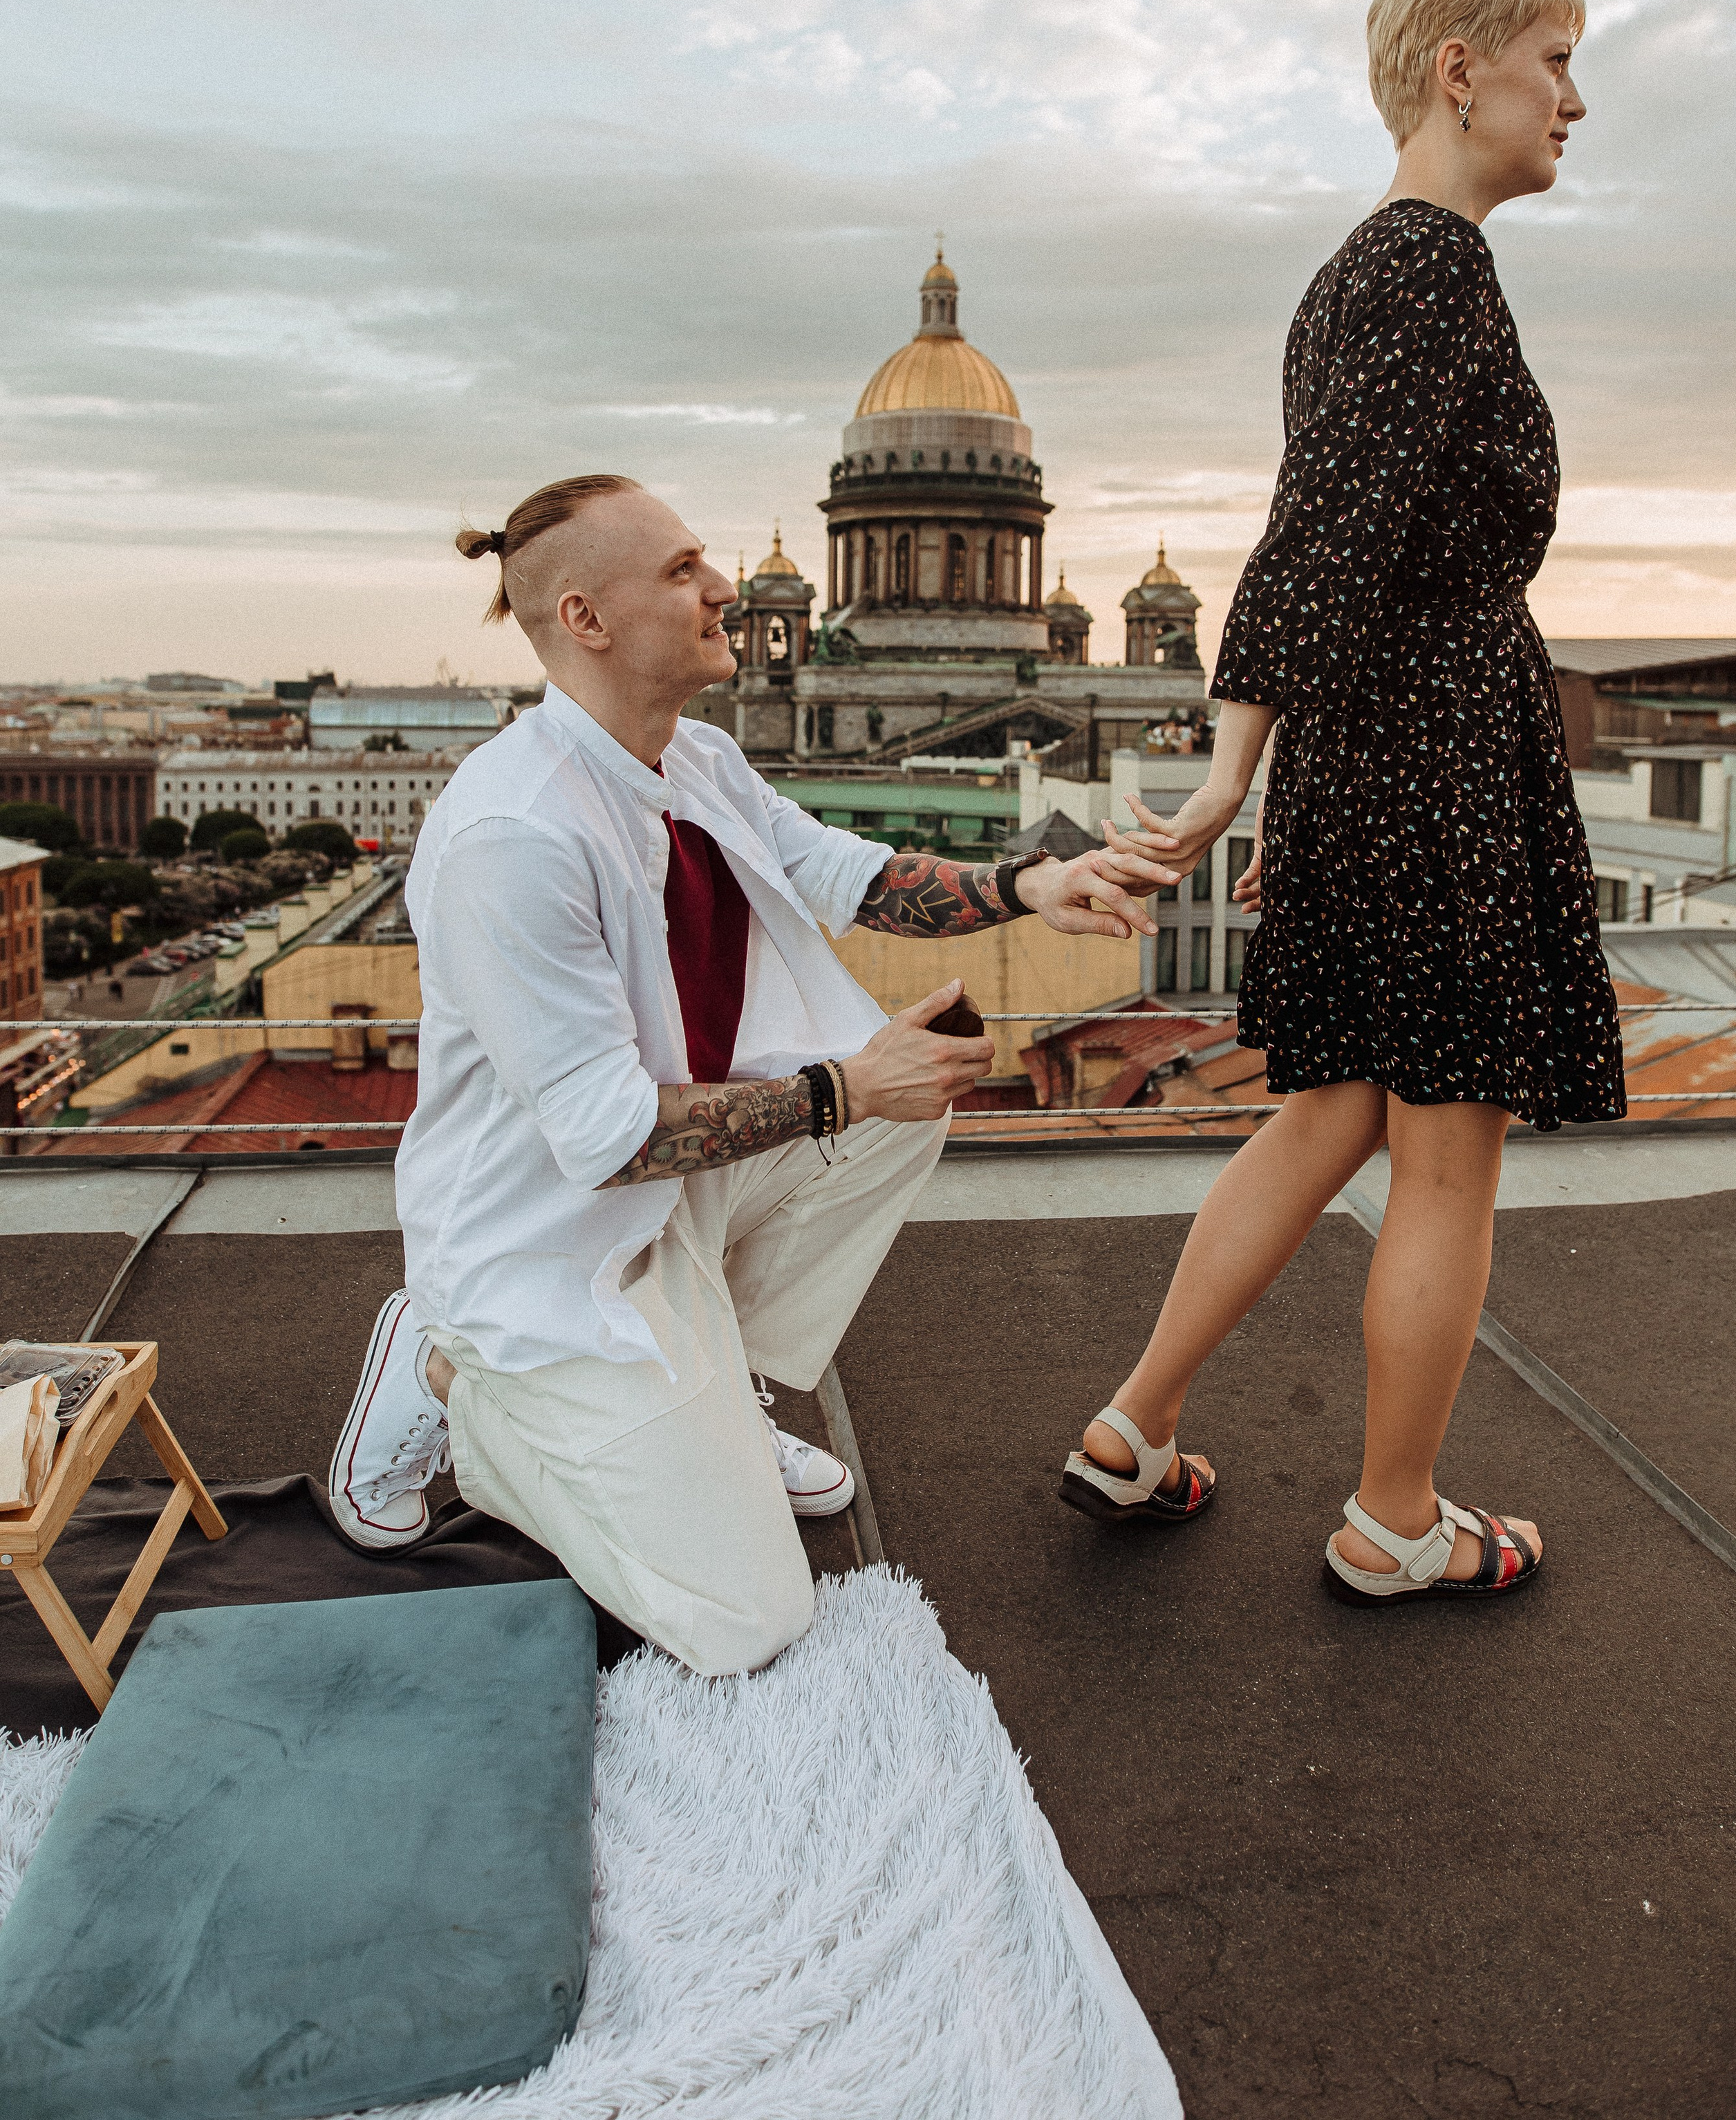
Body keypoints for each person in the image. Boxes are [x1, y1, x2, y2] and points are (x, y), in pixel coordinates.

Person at [329, 472, 1172, 1674]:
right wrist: (842, 1086)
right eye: (682, 570)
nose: (724, 586)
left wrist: (1029, 883)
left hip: (667, 1198)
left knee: (900, 1111)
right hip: (544, 1243)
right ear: (587, 619)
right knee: (748, 1621)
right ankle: (447, 1371)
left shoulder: (698, 760)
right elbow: (608, 1136)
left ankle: (721, 1393)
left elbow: (851, 874)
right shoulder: (512, 836)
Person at [1061, 0, 1625, 1606]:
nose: (1572, 101)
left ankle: (1134, 1427)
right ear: (1460, 69)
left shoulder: (1354, 274)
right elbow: (1314, 547)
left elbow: (1319, 543)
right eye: (1553, 63)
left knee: (1322, 1117)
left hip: (1378, 750)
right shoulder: (1427, 271)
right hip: (1437, 748)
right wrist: (1238, 776)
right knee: (1445, 1149)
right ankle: (1394, 1519)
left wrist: (1288, 780)